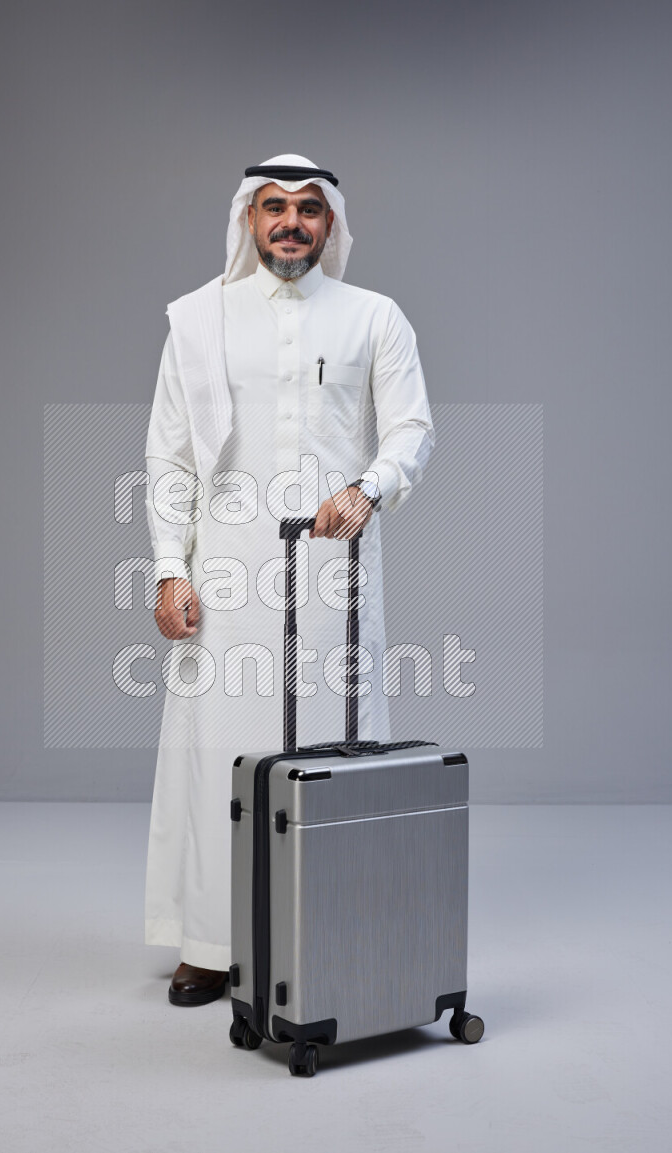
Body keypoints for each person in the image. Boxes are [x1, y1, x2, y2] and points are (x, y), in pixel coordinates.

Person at [144, 154, 435, 1006]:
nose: (291, 223)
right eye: (274, 207)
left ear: (332, 224)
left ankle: (333, 928)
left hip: (333, 570)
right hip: (225, 570)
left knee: (335, 750)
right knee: (217, 756)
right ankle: (209, 941)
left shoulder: (374, 317)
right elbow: (166, 453)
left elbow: (412, 429)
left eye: (310, 209)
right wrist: (169, 567)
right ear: (248, 219)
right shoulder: (200, 320)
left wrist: (370, 487)